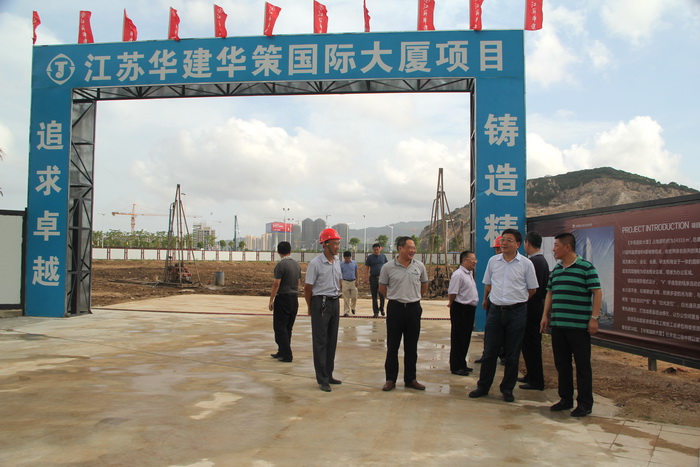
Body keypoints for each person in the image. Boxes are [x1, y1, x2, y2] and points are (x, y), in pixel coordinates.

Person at [469, 228, 539, 403]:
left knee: (512, 354)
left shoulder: (526, 264)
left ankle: (507, 389)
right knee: (490, 352)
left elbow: (532, 289)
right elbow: (488, 283)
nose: (504, 243)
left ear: (518, 244)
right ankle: (483, 386)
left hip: (517, 312)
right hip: (495, 312)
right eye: (502, 240)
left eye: (508, 240)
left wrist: (517, 300)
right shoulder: (493, 261)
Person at [540, 232, 602, 417]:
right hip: (559, 325)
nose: (553, 249)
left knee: (582, 365)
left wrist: (594, 318)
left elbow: (597, 292)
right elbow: (550, 293)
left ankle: (584, 403)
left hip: (579, 327)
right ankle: (565, 399)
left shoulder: (586, 267)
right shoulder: (557, 270)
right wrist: (545, 315)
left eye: (556, 245)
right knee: (562, 363)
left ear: (567, 247)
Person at [378, 236, 429, 392]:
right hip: (396, 309)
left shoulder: (419, 266)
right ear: (400, 249)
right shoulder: (387, 267)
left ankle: (410, 379)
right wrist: (395, 297)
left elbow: (424, 285)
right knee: (392, 346)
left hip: (414, 309)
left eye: (414, 248)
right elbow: (382, 288)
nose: (413, 250)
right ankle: (390, 379)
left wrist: (414, 297)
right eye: (410, 247)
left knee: (411, 347)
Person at [304, 228, 344, 392]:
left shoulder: (337, 261)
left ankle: (329, 373)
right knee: (320, 341)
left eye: (338, 243)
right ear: (325, 244)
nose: (337, 247)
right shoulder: (316, 264)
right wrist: (310, 306)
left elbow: (339, 280)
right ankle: (322, 379)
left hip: (334, 301)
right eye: (334, 243)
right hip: (321, 302)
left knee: (332, 340)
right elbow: (308, 288)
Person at [519, 231, 550, 390]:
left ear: (528, 243)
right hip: (536, 306)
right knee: (529, 343)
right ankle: (531, 375)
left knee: (531, 344)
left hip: (532, 307)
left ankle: (536, 380)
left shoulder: (533, 262)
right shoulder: (542, 261)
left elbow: (532, 288)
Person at [268, 241, 301, 363]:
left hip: (283, 298)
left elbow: (276, 284)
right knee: (288, 327)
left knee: (279, 327)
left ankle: (287, 354)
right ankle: (282, 351)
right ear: (290, 251)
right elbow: (298, 283)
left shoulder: (281, 265)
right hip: (294, 298)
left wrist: (271, 299)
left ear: (278, 251)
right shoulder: (296, 265)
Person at [447, 250, 479, 376]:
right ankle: (455, 366)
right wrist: (452, 302)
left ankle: (462, 363)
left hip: (469, 309)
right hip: (460, 309)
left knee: (465, 338)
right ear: (464, 260)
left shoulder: (469, 273)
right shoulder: (458, 275)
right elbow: (452, 293)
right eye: (472, 259)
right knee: (458, 338)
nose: (475, 262)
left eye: (475, 259)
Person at [365, 243, 388, 318]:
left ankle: (382, 308)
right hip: (373, 278)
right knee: (374, 296)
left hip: (382, 278)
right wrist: (366, 277)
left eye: (377, 249)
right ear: (373, 249)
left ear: (380, 249)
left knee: (382, 295)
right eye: (374, 250)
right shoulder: (370, 257)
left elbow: (387, 267)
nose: (376, 251)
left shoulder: (383, 256)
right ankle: (375, 311)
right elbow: (367, 268)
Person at [340, 251, 359, 317]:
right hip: (345, 281)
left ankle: (353, 307)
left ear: (350, 257)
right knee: (346, 298)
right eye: (346, 258)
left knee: (354, 296)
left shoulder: (354, 263)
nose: (347, 260)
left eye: (348, 258)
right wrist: (340, 282)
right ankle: (346, 312)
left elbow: (356, 272)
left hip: (353, 281)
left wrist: (357, 280)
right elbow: (340, 274)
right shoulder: (341, 264)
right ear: (344, 258)